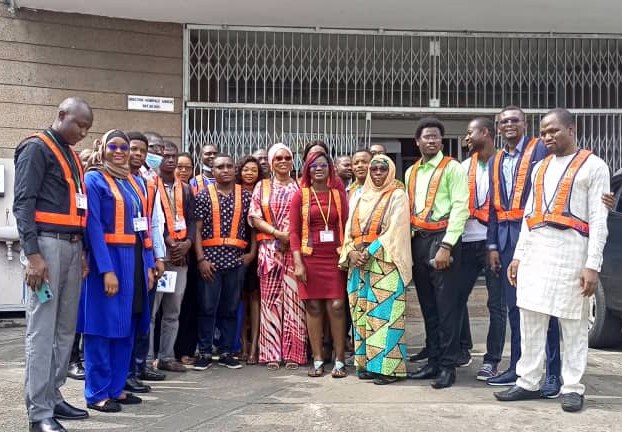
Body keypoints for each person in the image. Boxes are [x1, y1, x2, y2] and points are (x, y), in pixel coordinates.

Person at [494, 108, 610, 412]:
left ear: (572, 130)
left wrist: (592, 265)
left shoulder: (595, 166)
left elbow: (599, 220)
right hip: (536, 252)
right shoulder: (540, 167)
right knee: (530, 319)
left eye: (554, 131)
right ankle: (527, 381)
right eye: (544, 132)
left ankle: (572, 387)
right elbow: (529, 215)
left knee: (573, 323)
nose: (548, 137)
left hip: (572, 254)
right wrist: (518, 257)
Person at [14, 97, 93, 432]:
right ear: (62, 116)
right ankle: (38, 413)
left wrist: (85, 252)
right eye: (80, 125)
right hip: (45, 247)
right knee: (42, 330)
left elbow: (79, 206)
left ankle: (54, 394)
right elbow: (23, 202)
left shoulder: (72, 155)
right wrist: (32, 256)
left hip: (73, 247)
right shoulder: (36, 148)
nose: (83, 133)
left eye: (88, 128)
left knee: (65, 328)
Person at [486, 106, 562, 395]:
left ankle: (553, 374)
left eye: (514, 120)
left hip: (537, 237)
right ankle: (518, 368)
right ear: (498, 126)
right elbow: (494, 206)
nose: (509, 125)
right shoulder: (496, 159)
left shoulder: (540, 149)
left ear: (524, 123)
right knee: (515, 309)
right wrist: (492, 245)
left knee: (545, 310)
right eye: (504, 121)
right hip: (506, 242)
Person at [79, 130, 154, 413]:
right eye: (115, 146)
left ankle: (116, 387)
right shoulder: (94, 179)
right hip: (108, 260)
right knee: (102, 328)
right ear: (103, 148)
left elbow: (142, 225)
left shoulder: (135, 182)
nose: (120, 151)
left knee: (129, 325)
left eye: (124, 147)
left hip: (135, 260)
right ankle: (96, 392)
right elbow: (93, 226)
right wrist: (106, 270)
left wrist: (148, 265)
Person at [406, 117, 469, 389]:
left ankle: (448, 366)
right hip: (418, 241)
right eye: (426, 137)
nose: (431, 141)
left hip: (443, 241)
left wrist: (447, 245)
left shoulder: (453, 168)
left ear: (441, 141)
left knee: (447, 309)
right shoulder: (411, 172)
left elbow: (460, 207)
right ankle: (432, 361)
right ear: (417, 141)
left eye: (436, 137)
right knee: (428, 307)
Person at [339, 155, 412, 385]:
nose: (378, 172)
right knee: (361, 315)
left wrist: (368, 252)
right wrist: (351, 252)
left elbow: (395, 230)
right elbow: (348, 230)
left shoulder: (398, 195)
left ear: (390, 171)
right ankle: (367, 365)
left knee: (384, 316)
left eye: (383, 168)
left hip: (385, 263)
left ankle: (388, 369)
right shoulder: (359, 197)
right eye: (374, 168)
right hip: (359, 265)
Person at [290, 151, 349, 378]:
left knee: (336, 306)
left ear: (330, 169)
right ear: (307, 170)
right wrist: (298, 262)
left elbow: (345, 224)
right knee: (313, 307)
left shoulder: (338, 194)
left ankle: (340, 359)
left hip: (334, 257)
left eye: (323, 165)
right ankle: (317, 359)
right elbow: (293, 231)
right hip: (309, 258)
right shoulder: (300, 196)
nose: (318, 169)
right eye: (313, 166)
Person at [249, 143, 307, 370]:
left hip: (295, 253)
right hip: (269, 252)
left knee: (295, 302)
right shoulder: (262, 187)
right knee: (270, 301)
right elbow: (254, 216)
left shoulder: (301, 185)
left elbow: (308, 216)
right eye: (278, 158)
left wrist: (290, 238)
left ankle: (295, 353)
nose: (283, 161)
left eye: (287, 158)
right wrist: (277, 234)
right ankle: (271, 353)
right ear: (271, 163)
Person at [193, 154, 252, 371]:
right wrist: (201, 259)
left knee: (230, 307)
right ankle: (205, 351)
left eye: (229, 166)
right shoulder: (202, 196)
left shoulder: (245, 196)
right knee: (207, 307)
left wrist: (252, 253)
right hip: (210, 261)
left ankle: (227, 351)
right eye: (220, 167)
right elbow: (196, 230)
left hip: (236, 261)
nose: (225, 170)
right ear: (213, 171)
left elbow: (252, 228)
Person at [458, 118, 506, 380]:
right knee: (456, 298)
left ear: (485, 133)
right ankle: (463, 350)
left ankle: (492, 360)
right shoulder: (465, 167)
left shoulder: (504, 164)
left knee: (496, 304)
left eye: (469, 132)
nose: (466, 138)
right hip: (466, 241)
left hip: (494, 242)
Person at [125, 131, 166, 393]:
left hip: (146, 255)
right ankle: (127, 371)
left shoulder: (149, 182)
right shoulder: (113, 179)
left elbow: (155, 222)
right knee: (129, 317)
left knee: (143, 315)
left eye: (143, 150)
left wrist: (158, 257)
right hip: (124, 257)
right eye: (135, 149)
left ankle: (138, 367)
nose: (139, 154)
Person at [149, 141, 195, 373]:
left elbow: (192, 220)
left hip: (180, 258)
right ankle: (146, 360)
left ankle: (166, 356)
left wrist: (187, 244)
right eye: (165, 155)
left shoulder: (185, 188)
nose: (169, 159)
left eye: (173, 156)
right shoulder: (149, 184)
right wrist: (169, 242)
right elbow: (151, 220)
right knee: (152, 311)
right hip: (159, 255)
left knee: (173, 310)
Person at [174, 152, 201, 365]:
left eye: (188, 167)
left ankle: (185, 350)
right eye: (179, 167)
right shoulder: (158, 187)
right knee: (165, 307)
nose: (183, 171)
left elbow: (193, 222)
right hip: (167, 253)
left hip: (189, 255)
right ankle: (160, 352)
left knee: (188, 305)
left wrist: (188, 244)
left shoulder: (190, 191)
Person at [236, 156, 262, 365]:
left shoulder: (262, 191)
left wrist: (253, 252)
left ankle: (255, 345)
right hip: (236, 249)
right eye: (246, 169)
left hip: (259, 250)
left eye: (254, 170)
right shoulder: (234, 191)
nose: (250, 173)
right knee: (240, 299)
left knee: (255, 299)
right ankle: (242, 344)